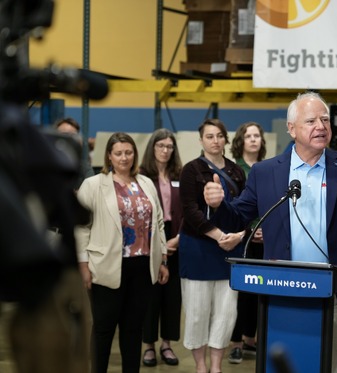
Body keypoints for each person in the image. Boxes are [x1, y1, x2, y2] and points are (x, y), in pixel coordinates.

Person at [203, 92, 337, 373]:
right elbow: (237, 218)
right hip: (283, 289)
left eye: (325, 120)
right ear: (291, 129)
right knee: (286, 363)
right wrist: (218, 205)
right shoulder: (265, 172)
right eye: (311, 120)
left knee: (335, 365)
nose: (321, 126)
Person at [75, 132, 169, 373]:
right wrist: (83, 265)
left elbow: (157, 222)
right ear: (109, 155)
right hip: (106, 266)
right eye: (118, 153)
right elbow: (81, 227)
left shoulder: (145, 183)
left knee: (133, 329)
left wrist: (162, 260)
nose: (124, 157)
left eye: (128, 152)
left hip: (143, 266)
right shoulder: (94, 184)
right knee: (104, 328)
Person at [178, 118, 246, 373]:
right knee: (197, 312)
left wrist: (238, 235)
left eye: (219, 135)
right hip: (198, 250)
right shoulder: (191, 170)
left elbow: (243, 211)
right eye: (209, 136)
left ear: (225, 139)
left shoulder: (236, 171)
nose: (215, 141)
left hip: (231, 251)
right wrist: (219, 236)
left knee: (226, 313)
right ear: (201, 140)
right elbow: (190, 211)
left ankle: (216, 366)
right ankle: (200, 366)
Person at [140, 129, 183, 367]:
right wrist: (159, 244)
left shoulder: (180, 174)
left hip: (176, 236)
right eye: (161, 146)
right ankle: (149, 346)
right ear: (152, 148)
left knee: (172, 296)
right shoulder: (142, 175)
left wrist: (177, 239)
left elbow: (188, 208)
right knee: (151, 295)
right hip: (150, 239)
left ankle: (167, 344)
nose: (165, 150)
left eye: (169, 146)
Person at [227, 121, 267, 364]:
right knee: (241, 292)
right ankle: (236, 342)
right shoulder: (234, 169)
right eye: (248, 136)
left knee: (259, 290)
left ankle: (251, 338)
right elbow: (236, 207)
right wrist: (251, 228)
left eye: (257, 136)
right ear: (241, 140)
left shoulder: (267, 168)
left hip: (265, 238)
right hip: (241, 237)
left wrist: (266, 229)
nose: (253, 139)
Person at [54, 117, 95, 188]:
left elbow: (91, 193)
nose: (69, 139)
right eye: (64, 135)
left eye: (73, 136)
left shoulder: (85, 169)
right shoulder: (44, 166)